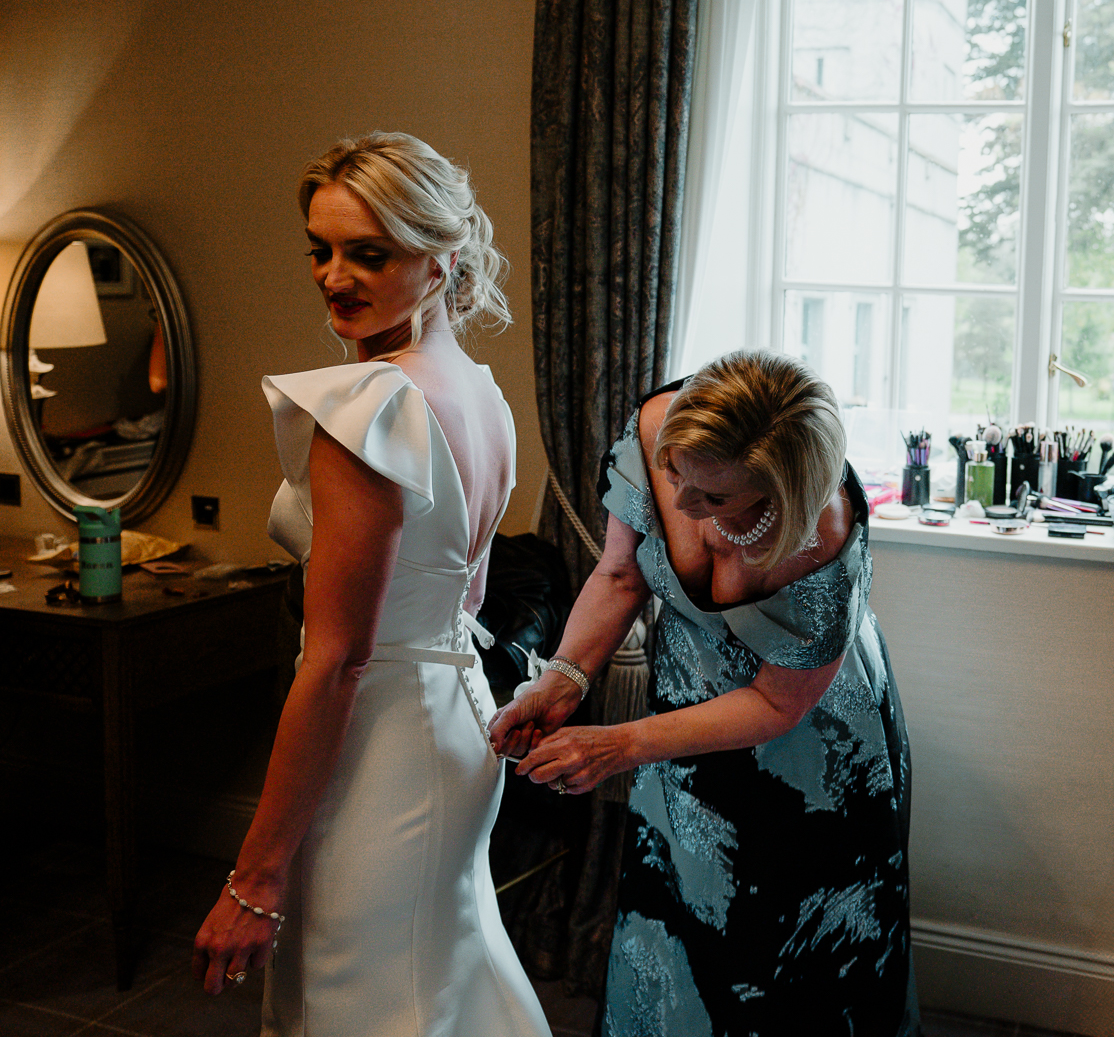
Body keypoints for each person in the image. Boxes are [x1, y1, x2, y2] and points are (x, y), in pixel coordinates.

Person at [192, 132, 549, 1037]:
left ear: (442, 260)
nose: (333, 276)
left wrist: (256, 874)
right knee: (437, 974)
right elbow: (458, 600)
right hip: (459, 715)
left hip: (382, 739)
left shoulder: (372, 406)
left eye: (370, 252)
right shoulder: (479, 392)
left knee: (359, 999)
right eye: (321, 248)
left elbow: (339, 658)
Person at [489, 351, 919, 1036]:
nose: (682, 507)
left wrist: (619, 745)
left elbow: (781, 703)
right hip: (685, 722)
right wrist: (563, 678)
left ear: (783, 495)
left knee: (791, 951)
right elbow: (622, 574)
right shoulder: (663, 426)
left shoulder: (821, 534)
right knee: (687, 930)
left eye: (713, 499)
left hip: (813, 747)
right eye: (672, 477)